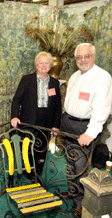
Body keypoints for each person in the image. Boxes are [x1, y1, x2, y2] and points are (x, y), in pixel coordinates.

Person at [60, 43, 112, 218]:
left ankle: (80, 203)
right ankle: (72, 191)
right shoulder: (75, 76)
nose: (82, 60)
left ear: (94, 56)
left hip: (85, 128)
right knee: (70, 162)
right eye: (79, 57)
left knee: (81, 167)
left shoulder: (102, 77)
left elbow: (102, 109)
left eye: (86, 56)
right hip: (68, 124)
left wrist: (90, 133)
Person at [11, 51, 62, 177]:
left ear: (50, 65)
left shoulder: (55, 83)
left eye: (47, 63)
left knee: (42, 147)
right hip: (29, 119)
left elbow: (57, 106)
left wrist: (56, 125)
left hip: (47, 121)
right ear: (36, 64)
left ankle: (37, 172)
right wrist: (14, 116)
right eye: (41, 62)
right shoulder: (27, 79)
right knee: (27, 146)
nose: (44, 65)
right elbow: (16, 99)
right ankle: (26, 170)